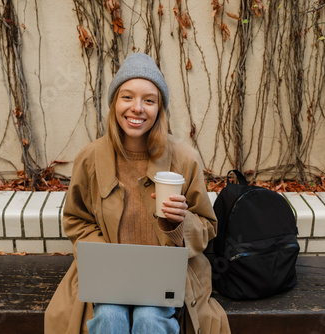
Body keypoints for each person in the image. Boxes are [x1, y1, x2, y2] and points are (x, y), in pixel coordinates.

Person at [45, 53, 230, 334]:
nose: (137, 108)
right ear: (114, 104)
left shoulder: (184, 158)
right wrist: (105, 258)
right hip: (109, 274)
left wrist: (179, 223)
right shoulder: (90, 158)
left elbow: (207, 225)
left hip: (164, 276)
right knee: (108, 317)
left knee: (150, 319)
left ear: (160, 108)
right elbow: (76, 219)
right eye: (127, 97)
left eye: (149, 100)